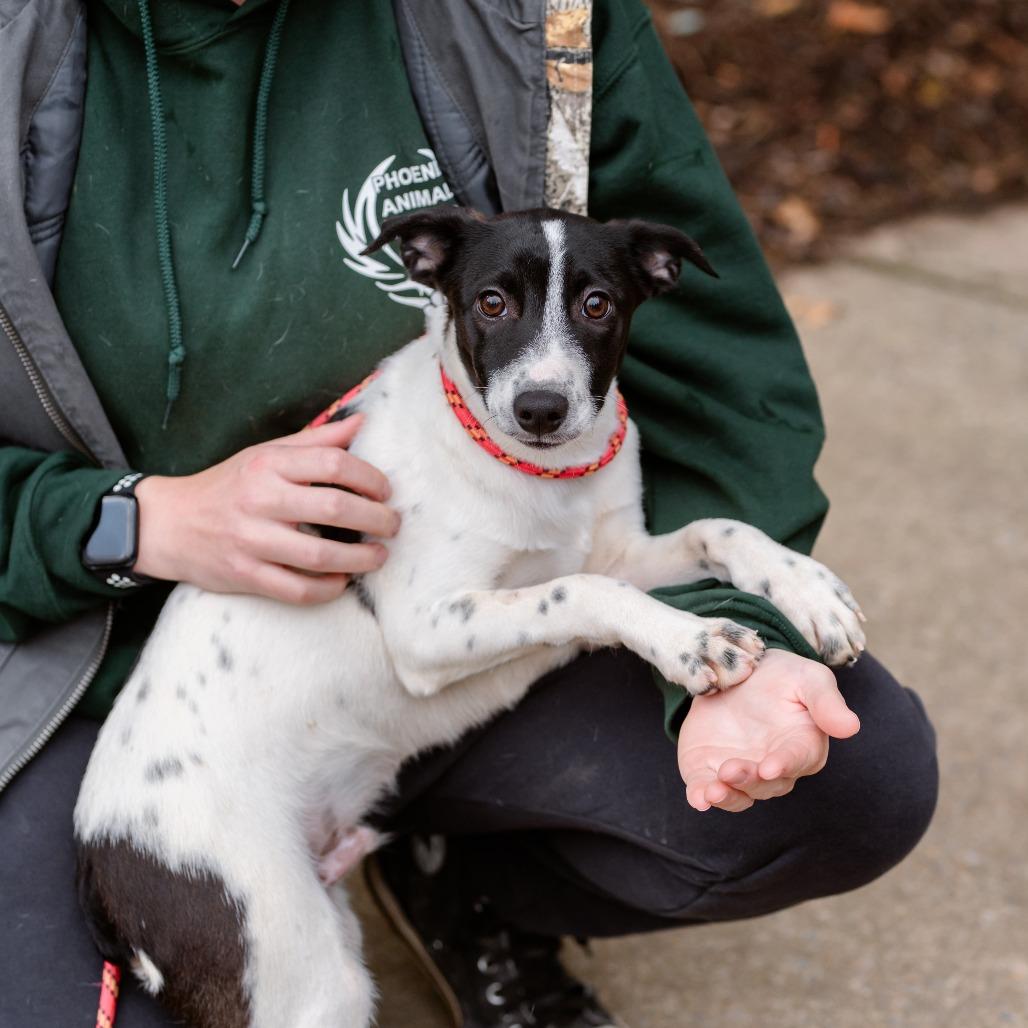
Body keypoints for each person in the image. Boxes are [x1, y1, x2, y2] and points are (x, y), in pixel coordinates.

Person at [0, 1, 938, 1025]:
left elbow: (717, 391)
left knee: (853, 770)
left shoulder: (531, 16)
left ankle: (467, 889)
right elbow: (438, 637)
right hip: (147, 744)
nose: (543, 377)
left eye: (589, 309)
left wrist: (741, 609)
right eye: (496, 305)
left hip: (418, 707)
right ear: (435, 274)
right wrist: (122, 521)